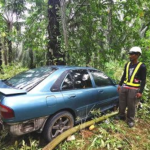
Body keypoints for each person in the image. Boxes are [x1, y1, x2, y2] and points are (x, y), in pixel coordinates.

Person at [116, 46, 146, 128]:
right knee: (122, 102)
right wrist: (120, 84)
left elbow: (143, 80)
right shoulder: (127, 64)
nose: (130, 56)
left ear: (137, 55)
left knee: (131, 105)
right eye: (130, 54)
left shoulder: (142, 66)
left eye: (132, 54)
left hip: (134, 89)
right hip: (124, 87)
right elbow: (124, 75)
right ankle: (121, 115)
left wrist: (140, 92)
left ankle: (130, 120)